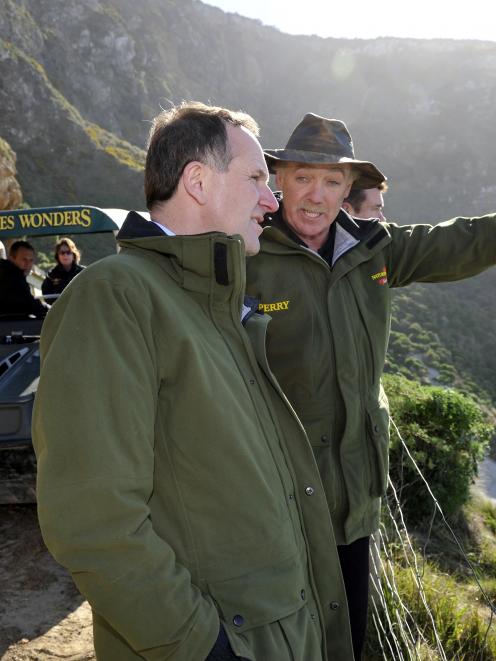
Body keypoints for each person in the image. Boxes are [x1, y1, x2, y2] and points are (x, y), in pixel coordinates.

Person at [33, 103, 354, 661]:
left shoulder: (216, 305)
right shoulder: (116, 297)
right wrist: (206, 648)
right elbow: (93, 520)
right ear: (198, 182)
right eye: (256, 178)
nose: (271, 199)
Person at [245, 112, 496, 659]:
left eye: (332, 180)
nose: (316, 194)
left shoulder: (374, 249)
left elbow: (459, 243)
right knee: (282, 637)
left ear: (347, 189)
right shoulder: (245, 254)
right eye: (303, 177)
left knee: (348, 636)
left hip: (356, 493)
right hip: (278, 498)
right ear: (279, 179)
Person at [0, 240, 49, 318]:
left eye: (31, 260)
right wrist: (50, 310)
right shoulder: (12, 278)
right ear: (12, 258)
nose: (28, 264)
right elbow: (30, 304)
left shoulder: (8, 273)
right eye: (24, 259)